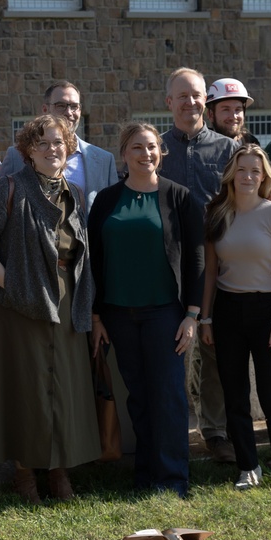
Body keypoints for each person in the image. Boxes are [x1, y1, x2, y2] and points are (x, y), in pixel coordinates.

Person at [0, 114, 100, 503]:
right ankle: (25, 476)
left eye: (58, 142)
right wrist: (18, 287)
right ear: (28, 151)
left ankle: (60, 475)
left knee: (63, 390)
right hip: (16, 307)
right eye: (43, 143)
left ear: (69, 147)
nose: (52, 149)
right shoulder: (10, 187)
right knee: (25, 391)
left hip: (65, 302)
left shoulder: (73, 192)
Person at [88, 122, 204, 496]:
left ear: (161, 152)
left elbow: (196, 259)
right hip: (119, 315)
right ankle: (146, 475)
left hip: (165, 314)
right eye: (137, 147)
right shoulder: (106, 200)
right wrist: (96, 316)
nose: (146, 154)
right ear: (124, 153)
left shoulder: (179, 197)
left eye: (152, 147)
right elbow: (94, 261)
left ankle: (173, 479)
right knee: (137, 396)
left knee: (168, 396)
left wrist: (191, 314)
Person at [200, 144, 271, 492]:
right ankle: (248, 467)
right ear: (231, 173)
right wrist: (206, 318)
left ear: (264, 177)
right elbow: (211, 272)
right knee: (235, 393)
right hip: (227, 311)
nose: (247, 176)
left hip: (267, 309)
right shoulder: (217, 213)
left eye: (255, 171)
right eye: (241, 169)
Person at [157, 67, 239, 464]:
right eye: (182, 96)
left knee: (215, 350)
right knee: (174, 351)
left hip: (219, 266)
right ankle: (173, 431)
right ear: (168, 102)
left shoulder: (226, 151)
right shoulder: (153, 149)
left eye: (196, 96)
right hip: (168, 267)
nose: (191, 103)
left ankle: (216, 431)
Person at [0, 80, 119, 212]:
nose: (68, 112)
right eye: (61, 105)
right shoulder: (16, 156)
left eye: (74, 106)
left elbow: (112, 214)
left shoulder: (104, 161)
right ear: (45, 109)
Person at [205, 78, 260, 145]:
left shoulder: (252, 144)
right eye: (226, 109)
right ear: (210, 114)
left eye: (238, 109)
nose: (233, 116)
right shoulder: (201, 147)